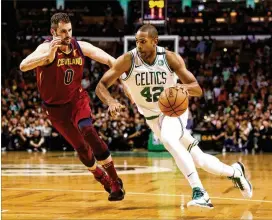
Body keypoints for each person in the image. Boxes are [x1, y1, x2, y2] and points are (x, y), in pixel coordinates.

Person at [95, 24, 252, 209]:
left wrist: (181, 88)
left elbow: (197, 88)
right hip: (153, 119)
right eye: (137, 41)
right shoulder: (128, 60)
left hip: (174, 111)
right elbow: (101, 85)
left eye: (143, 41)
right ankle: (235, 172)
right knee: (200, 160)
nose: (139, 45)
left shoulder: (169, 58)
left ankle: (200, 192)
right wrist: (111, 101)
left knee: (169, 139)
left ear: (155, 41)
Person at [19, 13, 125, 201]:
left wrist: (125, 80)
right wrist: (48, 56)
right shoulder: (44, 48)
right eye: (63, 32)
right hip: (55, 109)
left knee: (88, 130)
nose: (68, 35)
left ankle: (116, 181)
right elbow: (23, 66)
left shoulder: (79, 46)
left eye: (69, 30)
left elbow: (111, 61)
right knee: (82, 149)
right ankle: (102, 178)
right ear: (53, 32)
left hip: (77, 100)